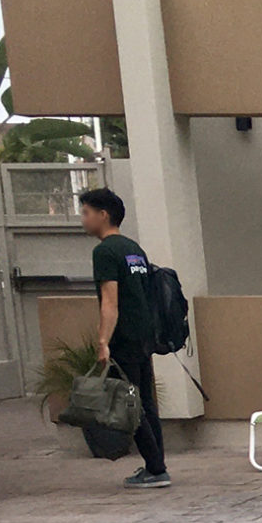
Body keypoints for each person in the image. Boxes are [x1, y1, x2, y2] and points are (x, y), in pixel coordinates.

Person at [79, 186, 168, 489]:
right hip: (144, 335)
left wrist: (103, 340)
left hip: (124, 337)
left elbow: (110, 300)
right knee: (146, 402)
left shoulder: (104, 251)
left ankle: (156, 469)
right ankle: (157, 464)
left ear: (103, 215)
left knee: (133, 403)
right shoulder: (134, 249)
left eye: (86, 212)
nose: (83, 219)